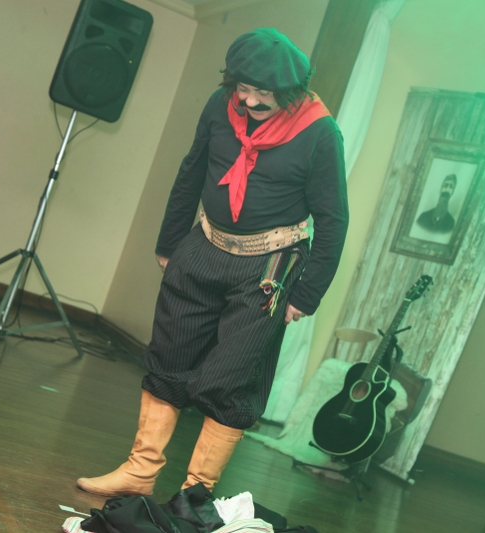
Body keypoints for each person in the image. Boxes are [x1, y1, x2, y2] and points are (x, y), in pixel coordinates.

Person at [76, 28, 349, 496]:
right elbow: (192, 169)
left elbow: (333, 219)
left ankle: (195, 494)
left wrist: (306, 294)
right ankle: (139, 473)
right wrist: (170, 242)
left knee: (230, 380)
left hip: (268, 266)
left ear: (290, 91)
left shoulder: (321, 133)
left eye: (263, 93)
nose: (250, 100)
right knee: (168, 357)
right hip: (204, 245)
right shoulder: (219, 106)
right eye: (243, 87)